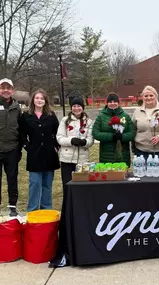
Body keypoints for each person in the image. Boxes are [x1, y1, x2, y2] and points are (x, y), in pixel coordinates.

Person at [49, 96, 94, 268]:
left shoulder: (89, 121)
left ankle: (80, 212)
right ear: (71, 107)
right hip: (67, 159)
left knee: (81, 188)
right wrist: (71, 141)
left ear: (83, 107)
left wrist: (84, 142)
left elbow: (90, 140)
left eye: (79, 106)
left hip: (82, 160)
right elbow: (60, 138)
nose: (76, 108)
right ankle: (68, 213)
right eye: (74, 105)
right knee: (68, 187)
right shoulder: (64, 120)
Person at [19, 89, 60, 212]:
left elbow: (58, 132)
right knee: (35, 184)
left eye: (42, 98)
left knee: (47, 185)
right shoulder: (26, 116)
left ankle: (46, 210)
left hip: (49, 154)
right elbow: (21, 133)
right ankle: (32, 210)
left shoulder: (51, 115)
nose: (39, 100)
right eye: (37, 98)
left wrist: (56, 146)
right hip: (34, 154)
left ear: (45, 101)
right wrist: (27, 146)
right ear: (33, 100)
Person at [132, 85, 159, 160]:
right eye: (146, 96)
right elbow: (133, 129)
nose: (148, 98)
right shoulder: (137, 112)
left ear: (156, 96)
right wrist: (133, 146)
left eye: (151, 95)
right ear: (142, 97)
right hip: (141, 151)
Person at [92, 93, 135, 167]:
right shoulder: (101, 117)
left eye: (115, 102)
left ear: (118, 103)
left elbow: (132, 132)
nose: (113, 104)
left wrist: (122, 137)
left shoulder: (125, 116)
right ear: (107, 103)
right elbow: (95, 133)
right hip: (106, 155)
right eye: (110, 102)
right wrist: (111, 136)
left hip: (123, 154)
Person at [0, 78, 22, 217]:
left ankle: (12, 206)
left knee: (12, 178)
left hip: (12, 149)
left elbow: (21, 129)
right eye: (3, 87)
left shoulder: (17, 107)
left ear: (12, 90)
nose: (6, 90)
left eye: (8, 88)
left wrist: (19, 148)